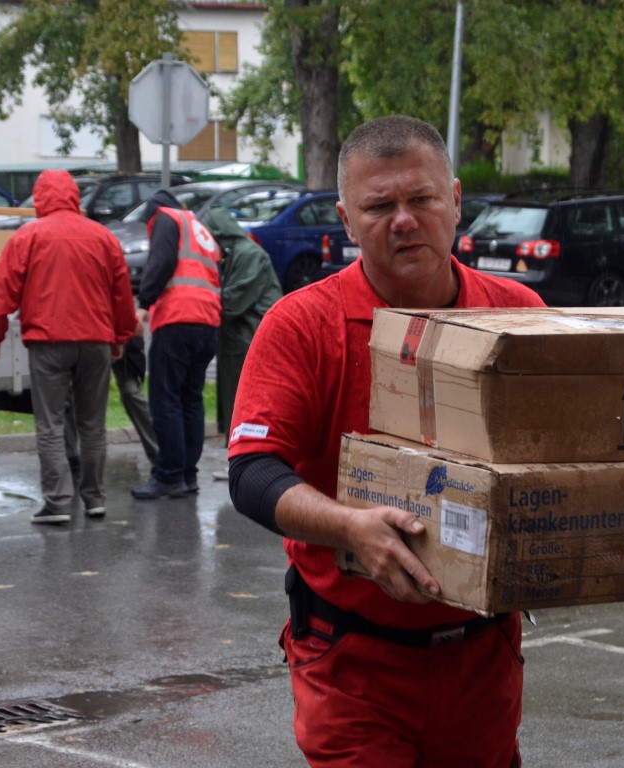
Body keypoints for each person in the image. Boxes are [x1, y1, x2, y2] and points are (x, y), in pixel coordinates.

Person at [226, 115, 546, 767]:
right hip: (352, 663)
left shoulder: (518, 316)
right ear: (346, 220)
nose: (404, 220)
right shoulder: (301, 325)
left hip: (483, 661)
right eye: (379, 206)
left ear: (455, 200)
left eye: (422, 198)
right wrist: (350, 527)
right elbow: (252, 471)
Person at [0, 169, 137, 524]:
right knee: (92, 425)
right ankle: (94, 498)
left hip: (48, 341)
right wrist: (119, 337)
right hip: (95, 341)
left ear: (39, 198)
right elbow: (121, 293)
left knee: (50, 424)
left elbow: (0, 293)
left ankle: (57, 503)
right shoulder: (102, 236)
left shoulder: (28, 236)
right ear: (74, 196)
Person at [131, 189, 222, 500]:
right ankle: (187, 474)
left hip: (177, 318)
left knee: (166, 398)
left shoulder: (165, 218)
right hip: (206, 321)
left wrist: (144, 303)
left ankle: (169, 475)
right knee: (190, 398)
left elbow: (162, 261)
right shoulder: (198, 227)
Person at [200, 206, 282, 442]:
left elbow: (234, 301)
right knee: (234, 398)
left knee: (246, 404)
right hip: (240, 337)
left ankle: (244, 448)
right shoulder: (236, 253)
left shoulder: (249, 254)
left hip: (251, 337)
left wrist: (201, 299)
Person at [64, 334, 160, 473]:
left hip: (119, 333)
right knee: (70, 392)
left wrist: (125, 333)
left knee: (131, 393)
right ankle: (72, 458)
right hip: (83, 334)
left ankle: (160, 455)